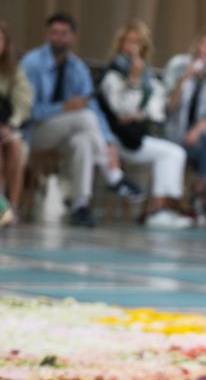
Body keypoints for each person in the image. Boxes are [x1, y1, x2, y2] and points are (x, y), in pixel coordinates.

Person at [20, 12, 146, 227]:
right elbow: (26, 111)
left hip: (68, 132)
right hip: (34, 132)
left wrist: (107, 142)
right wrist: (63, 108)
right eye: (54, 33)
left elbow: (93, 108)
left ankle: (81, 205)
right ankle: (113, 176)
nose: (58, 38)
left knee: (84, 141)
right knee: (84, 117)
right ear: (46, 34)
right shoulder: (32, 64)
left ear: (73, 37)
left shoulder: (77, 68)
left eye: (64, 33)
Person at [99, 19, 192, 228]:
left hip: (139, 134)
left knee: (174, 152)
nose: (132, 47)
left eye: (137, 42)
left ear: (144, 47)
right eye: (128, 41)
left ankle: (161, 208)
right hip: (116, 139)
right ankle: (158, 210)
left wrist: (140, 112)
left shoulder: (149, 77)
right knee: (172, 152)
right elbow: (122, 110)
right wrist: (133, 80)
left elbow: (157, 112)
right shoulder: (113, 75)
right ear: (121, 44)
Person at [164, 26, 206, 227]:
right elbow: (168, 107)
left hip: (196, 139)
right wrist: (184, 78)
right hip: (173, 133)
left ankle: (200, 191)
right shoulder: (178, 64)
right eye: (205, 43)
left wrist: (196, 130)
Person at [0, 21, 32, 227]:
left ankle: (12, 207)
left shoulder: (14, 71)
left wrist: (11, 125)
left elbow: (23, 102)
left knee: (16, 146)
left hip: (7, 127)